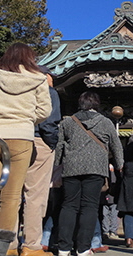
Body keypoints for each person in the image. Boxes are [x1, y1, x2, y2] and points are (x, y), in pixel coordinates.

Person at [0, 43, 51, 256]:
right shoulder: (39, 78)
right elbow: (45, 110)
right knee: (12, 196)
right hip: (22, 138)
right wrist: (27, 120)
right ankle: (1, 249)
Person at [54, 91, 124, 256]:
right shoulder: (106, 122)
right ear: (97, 104)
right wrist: (120, 164)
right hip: (95, 168)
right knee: (89, 207)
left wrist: (57, 164)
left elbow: (59, 145)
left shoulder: (68, 122)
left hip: (72, 168)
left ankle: (64, 247)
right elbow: (116, 145)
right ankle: (83, 247)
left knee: (69, 205)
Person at [10, 66, 61, 256]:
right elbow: (50, 120)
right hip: (39, 141)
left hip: (14, 139)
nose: (52, 80)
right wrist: (52, 143)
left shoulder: (18, 87)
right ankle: (31, 245)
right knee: (35, 196)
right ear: (44, 76)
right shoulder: (48, 91)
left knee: (12, 194)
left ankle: (9, 242)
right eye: (51, 76)